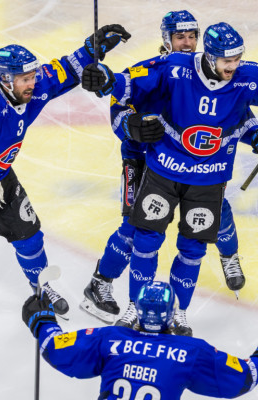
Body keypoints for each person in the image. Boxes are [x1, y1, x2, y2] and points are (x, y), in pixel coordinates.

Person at [82, 22, 258, 335]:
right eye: (227, 60)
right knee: (142, 237)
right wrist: (104, 79)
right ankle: (130, 303)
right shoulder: (172, 67)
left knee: (193, 248)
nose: (233, 66)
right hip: (160, 169)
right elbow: (124, 86)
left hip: (208, 179)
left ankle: (179, 312)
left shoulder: (247, 76)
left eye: (237, 59)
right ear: (209, 56)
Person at [80, 11, 246, 330]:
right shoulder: (152, 69)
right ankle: (100, 283)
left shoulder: (207, 74)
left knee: (218, 213)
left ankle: (229, 256)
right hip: (143, 161)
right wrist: (131, 126)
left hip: (192, 165)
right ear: (166, 39)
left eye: (192, 36)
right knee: (133, 228)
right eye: (180, 36)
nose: (187, 43)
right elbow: (119, 103)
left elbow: (235, 109)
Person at [0, 24, 131, 318]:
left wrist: (93, 48)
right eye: (24, 79)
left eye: (32, 76)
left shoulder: (33, 87)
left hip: (0, 178)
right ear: (5, 80)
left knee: (29, 236)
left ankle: (42, 287)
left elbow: (66, 69)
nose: (32, 83)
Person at [22, 280, 258, 399]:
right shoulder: (191, 352)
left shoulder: (110, 338)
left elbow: (57, 349)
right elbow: (240, 379)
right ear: (171, 315)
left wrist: (42, 321)